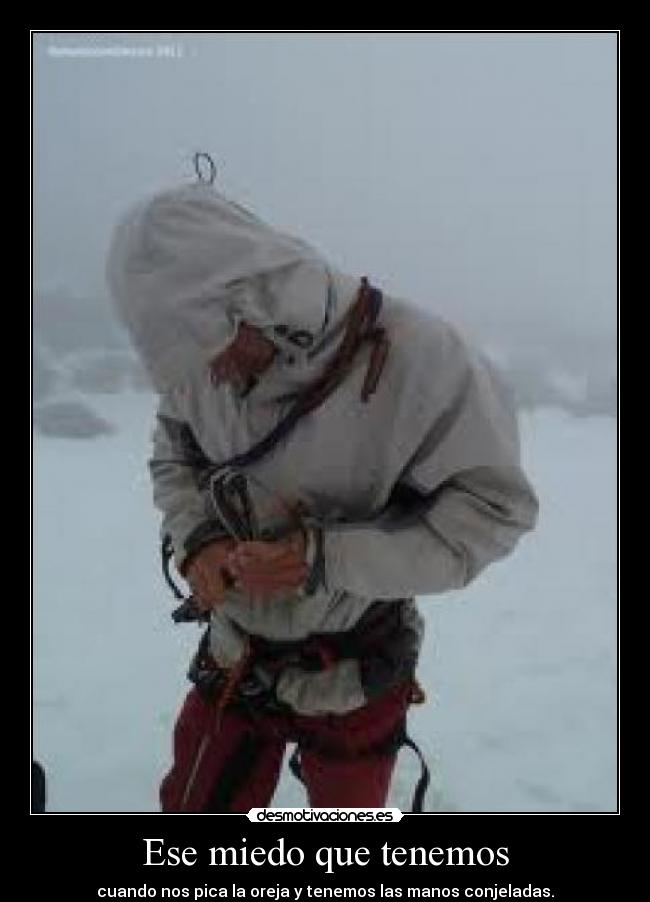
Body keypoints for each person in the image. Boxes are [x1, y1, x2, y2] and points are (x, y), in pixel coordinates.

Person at [106, 178, 538, 813]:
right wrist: (199, 537)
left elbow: (493, 513)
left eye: (213, 348)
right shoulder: (202, 367)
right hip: (235, 656)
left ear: (256, 300)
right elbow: (176, 449)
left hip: (354, 667)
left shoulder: (425, 361)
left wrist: (325, 558)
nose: (210, 374)